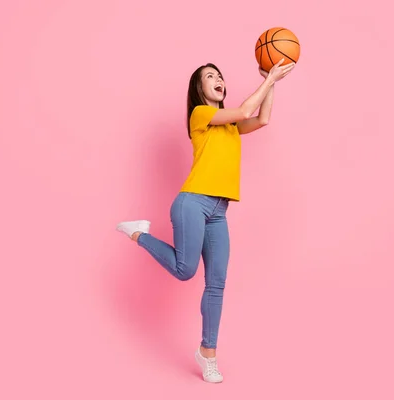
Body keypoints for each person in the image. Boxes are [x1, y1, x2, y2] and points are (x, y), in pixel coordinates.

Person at [116, 58, 295, 383]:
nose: (218, 79)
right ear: (199, 89)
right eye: (209, 76)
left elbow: (261, 118)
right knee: (186, 271)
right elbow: (243, 111)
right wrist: (268, 79)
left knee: (217, 284)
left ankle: (207, 353)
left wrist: (273, 83)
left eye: (220, 76)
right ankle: (140, 234)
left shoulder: (229, 125)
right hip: (192, 203)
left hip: (219, 211)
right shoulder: (201, 115)